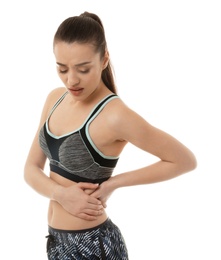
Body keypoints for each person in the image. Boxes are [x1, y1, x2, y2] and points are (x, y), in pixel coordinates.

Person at [24, 11, 197, 260]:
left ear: (104, 59)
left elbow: (184, 160)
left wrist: (114, 184)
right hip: (56, 244)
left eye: (83, 69)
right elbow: (30, 169)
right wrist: (60, 194)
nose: (71, 80)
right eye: (62, 69)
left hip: (95, 247)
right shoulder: (54, 98)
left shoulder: (114, 115)